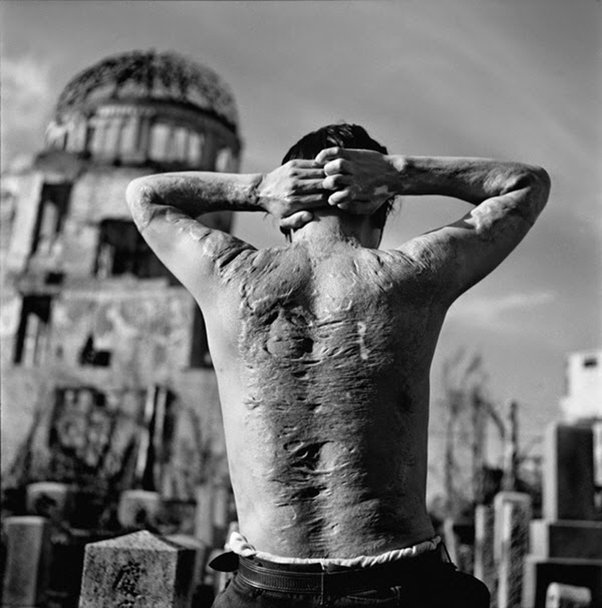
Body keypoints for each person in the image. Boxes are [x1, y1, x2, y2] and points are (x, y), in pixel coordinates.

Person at [126, 123, 550, 607]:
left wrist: (255, 188)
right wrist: (399, 173)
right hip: (400, 587)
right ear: (380, 210)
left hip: (267, 589)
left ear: (285, 213)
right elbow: (526, 183)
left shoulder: (226, 276)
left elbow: (146, 196)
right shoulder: (412, 275)